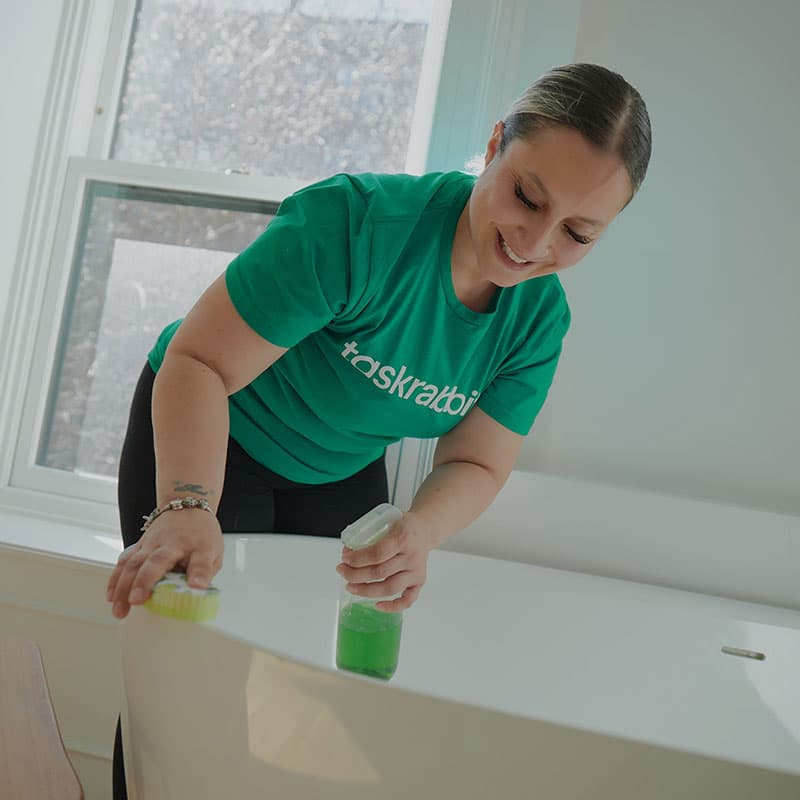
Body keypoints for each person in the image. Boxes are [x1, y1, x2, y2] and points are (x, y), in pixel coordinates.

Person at [106, 62, 651, 797]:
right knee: (188, 677)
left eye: (578, 232)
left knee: (302, 684)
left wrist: (420, 531)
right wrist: (188, 504)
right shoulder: (358, 226)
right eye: (526, 196)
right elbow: (199, 361)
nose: (534, 243)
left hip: (336, 464)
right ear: (494, 145)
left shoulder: (537, 323)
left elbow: (478, 464)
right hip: (211, 421)